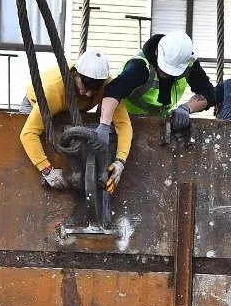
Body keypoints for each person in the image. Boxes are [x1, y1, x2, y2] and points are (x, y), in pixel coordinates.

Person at [20, 49, 133, 195]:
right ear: (76, 75)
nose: (89, 94)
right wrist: (47, 170)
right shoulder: (53, 91)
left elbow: (123, 125)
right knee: (30, 151)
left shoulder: (107, 87)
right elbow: (28, 134)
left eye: (94, 90)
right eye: (85, 87)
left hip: (73, 110)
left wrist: (120, 161)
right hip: (36, 104)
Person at [95, 32, 215, 145]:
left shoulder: (189, 64)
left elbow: (209, 94)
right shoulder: (140, 67)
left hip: (157, 125)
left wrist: (187, 108)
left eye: (172, 71)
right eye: (164, 67)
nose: (166, 73)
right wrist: (104, 124)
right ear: (157, 52)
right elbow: (114, 90)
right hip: (123, 121)